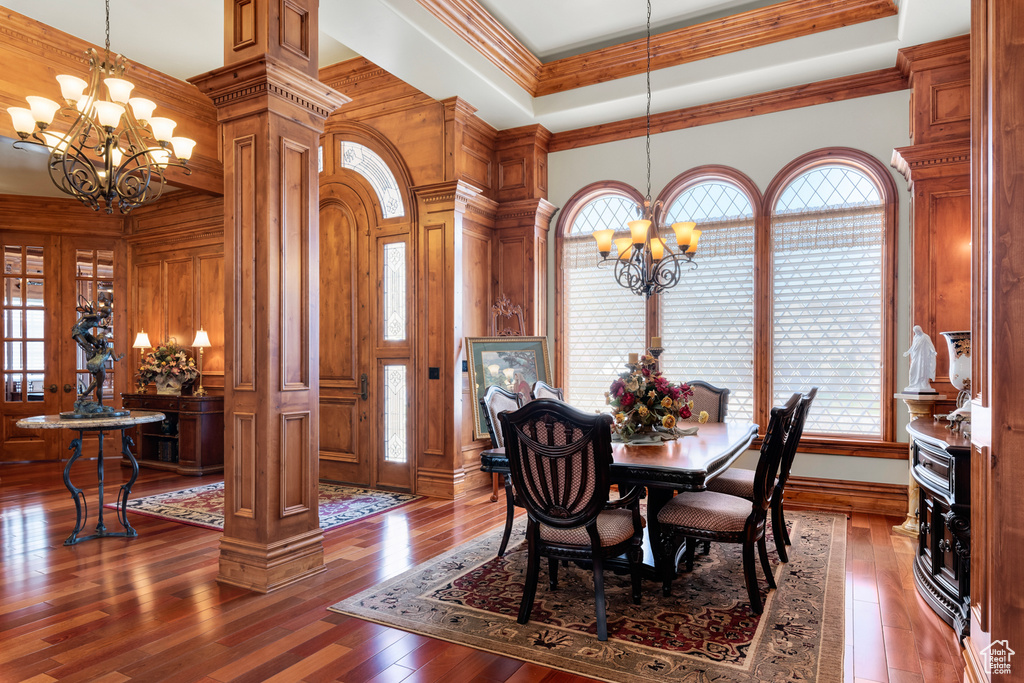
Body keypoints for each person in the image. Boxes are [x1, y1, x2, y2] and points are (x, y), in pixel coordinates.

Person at [903, 324, 937, 393]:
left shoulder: (925, 337)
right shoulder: (915, 337)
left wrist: (933, 352)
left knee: (922, 370)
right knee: (912, 370)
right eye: (915, 331)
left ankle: (922, 383)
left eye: (917, 331)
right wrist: (908, 352)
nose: (916, 332)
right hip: (915, 356)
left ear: (920, 330)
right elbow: (913, 347)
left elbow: (930, 345)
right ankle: (912, 384)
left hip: (922, 357)